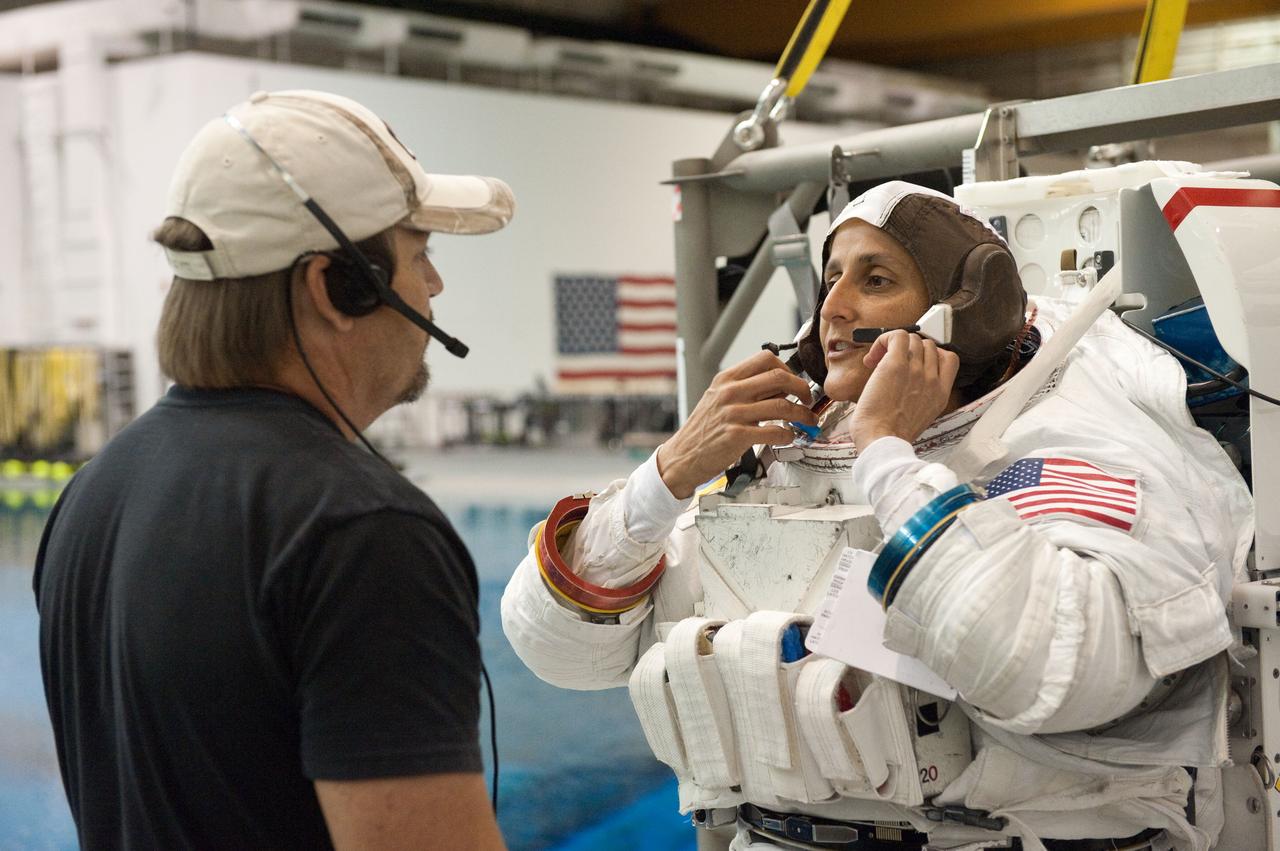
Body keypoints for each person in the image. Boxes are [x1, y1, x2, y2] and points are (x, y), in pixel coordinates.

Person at [502, 181, 1253, 850]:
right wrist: (666, 479)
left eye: (876, 279)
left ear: (966, 312)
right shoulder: (794, 456)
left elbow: (1050, 669)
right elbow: (558, 652)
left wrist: (890, 454)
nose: (833, 307)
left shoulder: (1059, 446)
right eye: (831, 278)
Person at [34, 90, 513, 850]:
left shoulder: (92, 494)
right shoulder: (362, 533)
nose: (434, 287)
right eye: (419, 255)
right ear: (338, 288)